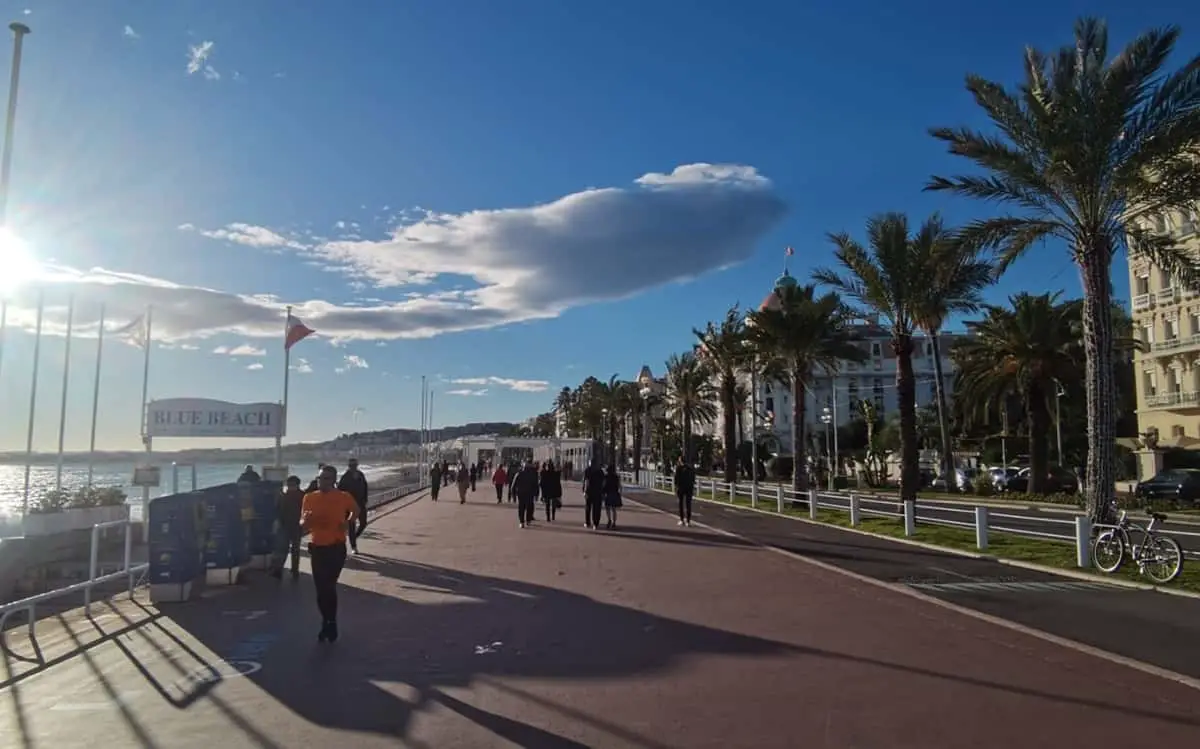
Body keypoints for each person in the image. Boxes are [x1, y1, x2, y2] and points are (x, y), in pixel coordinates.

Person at [300, 464, 359, 643]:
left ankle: (331, 623)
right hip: (317, 547)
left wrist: (348, 523)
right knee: (320, 591)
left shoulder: (343, 497)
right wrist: (306, 521)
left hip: (336, 547)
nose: (322, 482)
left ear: (334, 480)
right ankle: (326, 621)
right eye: (319, 478)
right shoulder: (309, 497)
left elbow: (356, 511)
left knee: (329, 586)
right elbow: (302, 524)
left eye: (326, 478)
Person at [270, 475, 304, 580]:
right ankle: (287, 570)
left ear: (297, 485)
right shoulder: (299, 496)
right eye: (289, 485)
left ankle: (285, 570)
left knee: (287, 549)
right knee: (289, 548)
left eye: (291, 485)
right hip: (290, 525)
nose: (290, 487)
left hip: (291, 526)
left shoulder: (288, 496)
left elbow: (277, 510)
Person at [337, 458, 370, 553]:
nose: (353, 467)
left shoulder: (360, 475)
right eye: (351, 465)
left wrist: (365, 499)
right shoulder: (345, 477)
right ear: (349, 466)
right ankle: (353, 546)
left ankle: (354, 537)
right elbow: (340, 490)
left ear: (357, 465)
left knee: (363, 523)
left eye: (354, 465)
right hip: (349, 505)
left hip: (360, 503)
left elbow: (365, 486)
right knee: (351, 525)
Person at [511, 459, 540, 528]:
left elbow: (513, 486)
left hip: (521, 493)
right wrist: (536, 494)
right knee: (529, 507)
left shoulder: (519, 474)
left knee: (521, 508)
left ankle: (521, 522)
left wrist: (513, 495)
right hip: (530, 493)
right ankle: (528, 521)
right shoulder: (533, 474)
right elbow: (536, 485)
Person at [582, 459, 605, 530]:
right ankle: (596, 523)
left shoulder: (588, 470)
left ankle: (587, 522)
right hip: (598, 491)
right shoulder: (600, 471)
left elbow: (586, 481)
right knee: (597, 508)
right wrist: (603, 492)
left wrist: (585, 491)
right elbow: (603, 482)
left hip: (589, 491)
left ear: (590, 463)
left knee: (588, 507)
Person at [674, 456, 696, 527]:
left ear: (680, 461)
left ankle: (681, 520)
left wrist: (676, 487)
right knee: (688, 504)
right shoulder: (690, 468)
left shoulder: (678, 468)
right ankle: (688, 521)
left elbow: (676, 479)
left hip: (681, 488)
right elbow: (693, 478)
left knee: (681, 504)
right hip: (689, 488)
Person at [602, 464, 623, 530]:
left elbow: (603, 484)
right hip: (614, 493)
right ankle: (614, 522)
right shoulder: (616, 477)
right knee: (614, 509)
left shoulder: (606, 476)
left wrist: (602, 492)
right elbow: (620, 486)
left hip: (608, 493)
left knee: (607, 508)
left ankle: (609, 519)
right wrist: (620, 493)